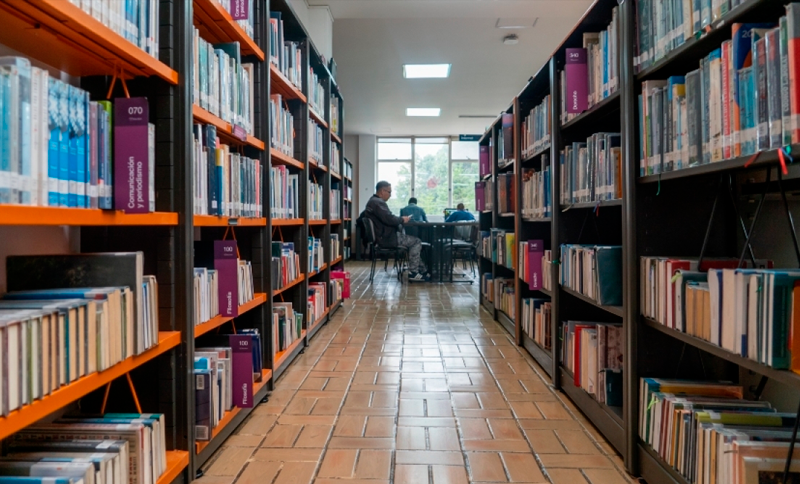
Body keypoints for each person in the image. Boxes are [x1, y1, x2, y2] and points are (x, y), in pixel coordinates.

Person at [365, 181, 429, 281]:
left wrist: (399, 219)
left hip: (383, 237)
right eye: (389, 192)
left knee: (413, 241)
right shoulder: (378, 203)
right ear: (382, 191)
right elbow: (389, 218)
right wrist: (402, 219)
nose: (390, 195)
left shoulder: (373, 201)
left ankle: (423, 270)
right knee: (416, 241)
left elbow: (387, 218)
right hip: (388, 238)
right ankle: (413, 273)